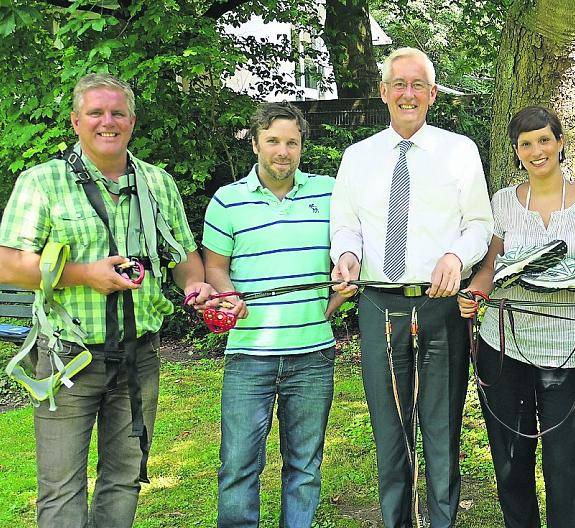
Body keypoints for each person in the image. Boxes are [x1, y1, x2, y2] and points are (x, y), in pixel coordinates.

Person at [0, 73, 212, 527]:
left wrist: (195, 285)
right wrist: (84, 275)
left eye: (118, 112)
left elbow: (183, 257)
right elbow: (7, 265)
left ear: (132, 121)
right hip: (67, 359)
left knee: (124, 478)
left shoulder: (157, 183)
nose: (107, 121)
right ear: (76, 122)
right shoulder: (42, 182)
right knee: (61, 486)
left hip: (140, 356)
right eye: (95, 112)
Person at [329, 47, 493, 527]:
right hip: (378, 305)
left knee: (442, 429)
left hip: (441, 306)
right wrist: (346, 256)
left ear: (432, 94)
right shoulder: (358, 157)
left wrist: (456, 256)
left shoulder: (459, 151)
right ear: (383, 92)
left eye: (418, 85)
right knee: (390, 430)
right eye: (399, 84)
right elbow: (346, 225)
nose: (408, 94)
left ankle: (442, 520)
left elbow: (479, 225)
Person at [456, 105, 575, 528]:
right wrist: (475, 292)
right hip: (503, 346)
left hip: (569, 350)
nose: (536, 150)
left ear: (560, 143)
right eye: (526, 144)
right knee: (511, 461)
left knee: (562, 465)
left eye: (544, 139)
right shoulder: (503, 202)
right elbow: (489, 266)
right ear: (516, 151)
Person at [202, 102, 345, 527]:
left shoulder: (330, 193)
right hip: (249, 354)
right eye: (273, 141)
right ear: (255, 144)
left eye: (292, 143)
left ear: (301, 146)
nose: (283, 151)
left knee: (305, 467)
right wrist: (228, 296)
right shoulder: (228, 201)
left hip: (313, 354)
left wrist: (336, 300)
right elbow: (215, 267)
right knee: (238, 465)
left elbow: (351, 253)